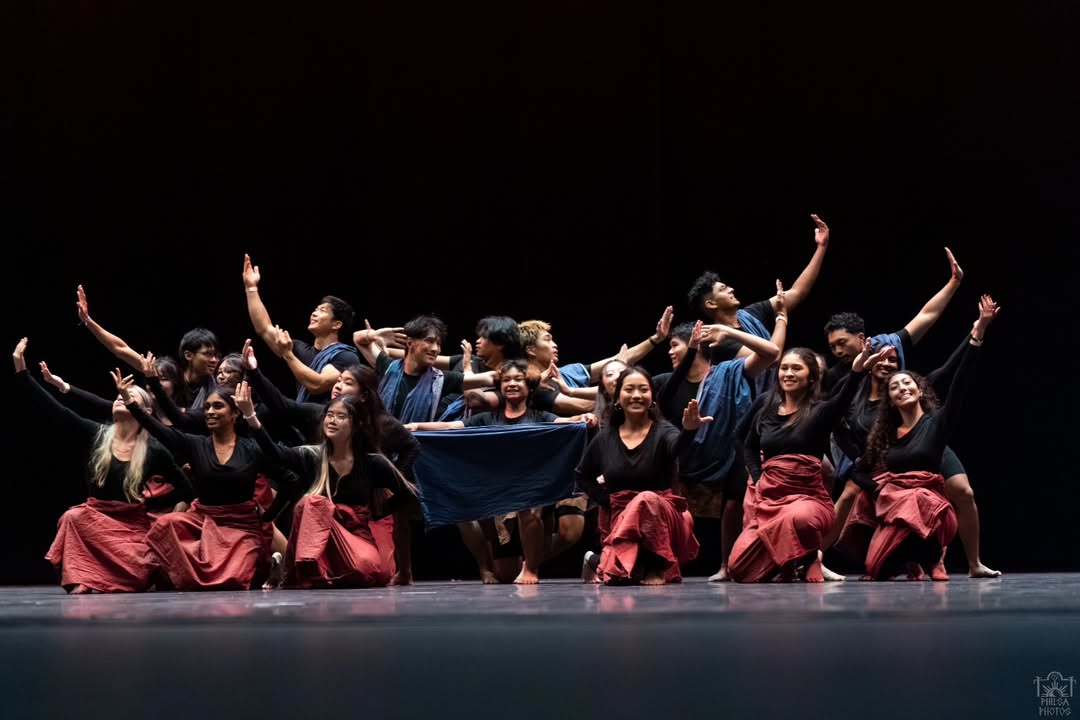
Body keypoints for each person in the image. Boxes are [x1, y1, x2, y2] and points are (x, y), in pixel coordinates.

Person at [823, 248, 997, 578]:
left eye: (841, 343)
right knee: (851, 494)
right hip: (884, 455)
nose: (837, 351)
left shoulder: (891, 352)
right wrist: (862, 461)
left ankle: (973, 562)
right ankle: (817, 557)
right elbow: (835, 427)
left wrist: (955, 285)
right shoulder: (843, 382)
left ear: (862, 340)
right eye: (832, 347)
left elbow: (926, 317)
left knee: (962, 491)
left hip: (924, 442)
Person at [13, 338, 192, 593]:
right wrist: (23, 373)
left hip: (131, 528)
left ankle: (109, 576)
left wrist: (173, 518)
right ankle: (85, 578)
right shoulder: (97, 435)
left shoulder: (154, 450)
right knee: (73, 517)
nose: (120, 398)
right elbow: (57, 411)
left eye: (128, 396)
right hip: (96, 519)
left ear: (145, 412)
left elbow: (187, 490)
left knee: (142, 567)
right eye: (118, 395)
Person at [241, 340, 421, 585]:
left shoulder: (377, 444)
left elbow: (410, 472)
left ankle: (397, 571)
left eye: (347, 382)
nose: (338, 386)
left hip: (360, 524)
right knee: (312, 503)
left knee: (375, 573)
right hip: (321, 522)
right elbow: (281, 413)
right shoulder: (316, 448)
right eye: (338, 380)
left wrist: (380, 507)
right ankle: (305, 571)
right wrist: (253, 377)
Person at [407, 358, 596, 583]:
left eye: (518, 379)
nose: (512, 384)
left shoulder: (540, 417)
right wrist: (417, 426)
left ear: (529, 386)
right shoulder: (487, 418)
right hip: (500, 495)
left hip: (532, 489)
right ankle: (512, 563)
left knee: (529, 508)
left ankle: (531, 568)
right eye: (506, 380)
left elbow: (567, 421)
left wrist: (584, 417)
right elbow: (450, 427)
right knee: (505, 574)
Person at [856, 295, 999, 581]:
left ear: (920, 390)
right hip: (898, 503)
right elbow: (859, 469)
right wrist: (880, 488)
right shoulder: (884, 433)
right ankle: (911, 559)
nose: (902, 388)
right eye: (895, 387)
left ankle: (960, 561)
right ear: (890, 400)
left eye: (907, 383)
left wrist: (978, 333)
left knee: (957, 493)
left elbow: (959, 381)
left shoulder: (936, 424)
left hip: (929, 497)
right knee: (875, 568)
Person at [729, 340, 892, 582]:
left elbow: (844, 398)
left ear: (811, 377)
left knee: (799, 518)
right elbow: (749, 445)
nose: (788, 373)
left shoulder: (821, 411)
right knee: (740, 569)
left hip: (807, 499)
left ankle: (809, 557)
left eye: (796, 368)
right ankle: (786, 562)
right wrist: (758, 477)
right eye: (784, 368)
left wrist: (858, 370)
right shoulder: (766, 406)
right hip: (771, 498)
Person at [117, 375, 287, 591]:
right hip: (204, 520)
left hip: (240, 526)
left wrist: (269, 515)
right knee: (166, 524)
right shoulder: (195, 444)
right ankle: (197, 572)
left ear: (235, 413)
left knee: (232, 579)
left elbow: (289, 479)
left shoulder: (252, 449)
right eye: (206, 407)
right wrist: (130, 403)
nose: (209, 412)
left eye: (217, 406)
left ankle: (264, 569)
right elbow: (159, 429)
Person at [574, 367, 710, 585]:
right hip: (621, 518)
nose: (636, 395)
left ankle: (655, 566)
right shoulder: (604, 439)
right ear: (618, 398)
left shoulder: (664, 431)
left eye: (643, 390)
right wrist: (607, 500)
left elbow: (677, 448)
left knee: (646, 499)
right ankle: (594, 559)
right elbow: (582, 476)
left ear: (652, 398)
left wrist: (689, 431)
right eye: (629, 389)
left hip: (661, 515)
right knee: (619, 576)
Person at [76, 284, 220, 410]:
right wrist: (88, 320)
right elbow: (121, 349)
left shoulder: (218, 383)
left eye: (216, 355)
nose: (214, 360)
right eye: (207, 354)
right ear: (188, 355)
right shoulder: (166, 374)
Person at [243, 254, 360, 404]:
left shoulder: (346, 356)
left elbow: (318, 384)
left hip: (330, 416)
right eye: (315, 309)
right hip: (303, 416)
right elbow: (264, 328)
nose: (314, 313)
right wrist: (251, 288)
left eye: (322, 310)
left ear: (336, 324)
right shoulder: (298, 349)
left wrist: (288, 354)